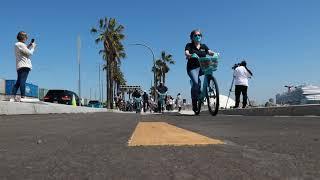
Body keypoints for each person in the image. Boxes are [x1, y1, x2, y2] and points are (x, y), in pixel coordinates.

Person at [185, 29, 215, 113]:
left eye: (199, 35)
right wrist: (190, 55)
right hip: (192, 68)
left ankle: (208, 87)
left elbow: (209, 52)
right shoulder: (189, 45)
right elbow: (186, 53)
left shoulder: (204, 46)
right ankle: (195, 102)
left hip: (203, 66)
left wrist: (215, 53)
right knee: (195, 83)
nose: (198, 37)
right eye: (196, 35)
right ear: (192, 37)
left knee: (209, 70)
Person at [10, 31, 36, 102]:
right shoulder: (21, 44)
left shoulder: (17, 45)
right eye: (26, 37)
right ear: (23, 37)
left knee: (18, 82)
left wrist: (29, 45)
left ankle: (12, 97)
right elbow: (30, 53)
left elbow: (24, 50)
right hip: (25, 65)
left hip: (19, 65)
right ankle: (23, 97)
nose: (26, 39)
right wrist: (33, 47)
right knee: (22, 81)